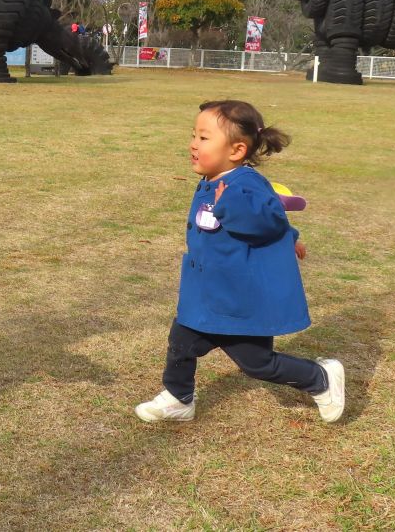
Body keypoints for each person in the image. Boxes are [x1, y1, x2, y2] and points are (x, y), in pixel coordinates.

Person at [135, 99, 344, 425]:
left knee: (256, 363)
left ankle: (320, 377)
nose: (193, 144)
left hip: (239, 299)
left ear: (235, 151)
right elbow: (274, 224)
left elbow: (265, 221)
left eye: (204, 138)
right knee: (181, 341)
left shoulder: (243, 185)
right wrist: (291, 238)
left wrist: (233, 205)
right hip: (208, 292)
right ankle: (179, 398)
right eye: (194, 135)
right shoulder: (215, 178)